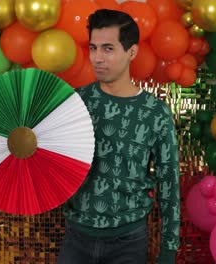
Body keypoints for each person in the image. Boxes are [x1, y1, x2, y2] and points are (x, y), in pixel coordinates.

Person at [56, 9, 180, 264]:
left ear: (131, 52)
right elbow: (51, 162)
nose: (97, 58)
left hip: (129, 240)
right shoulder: (74, 102)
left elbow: (169, 182)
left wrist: (168, 250)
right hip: (76, 236)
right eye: (93, 48)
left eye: (108, 49)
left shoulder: (155, 112)